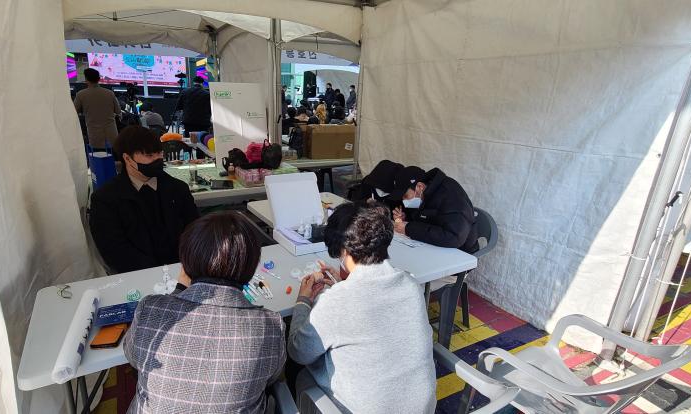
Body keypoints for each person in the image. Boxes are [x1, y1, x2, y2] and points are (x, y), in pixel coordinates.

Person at [124, 212, 286, 414]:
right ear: (251, 266)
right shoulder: (271, 326)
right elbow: (272, 375)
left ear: (185, 262)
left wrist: (179, 291)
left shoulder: (150, 309)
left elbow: (132, 356)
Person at [288, 203, 436, 414]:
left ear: (344, 251)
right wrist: (344, 284)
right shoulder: (411, 285)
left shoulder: (336, 301)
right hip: (421, 408)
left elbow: (298, 351)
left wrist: (303, 301)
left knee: (300, 373)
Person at [89, 126, 199, 273]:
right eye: (149, 155)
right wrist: (154, 272)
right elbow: (113, 249)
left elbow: (194, 230)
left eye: (159, 153)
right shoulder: (106, 199)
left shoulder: (178, 189)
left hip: (181, 269)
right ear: (127, 158)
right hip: (137, 275)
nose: (157, 159)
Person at [390, 166, 478, 253]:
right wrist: (405, 218)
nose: (404, 200)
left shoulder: (451, 196)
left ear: (420, 187)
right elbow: (426, 218)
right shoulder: (425, 193)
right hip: (435, 246)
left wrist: (409, 229)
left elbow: (454, 237)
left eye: (405, 196)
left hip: (461, 252)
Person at [74, 68, 120, 149]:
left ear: (86, 79)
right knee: (113, 155)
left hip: (94, 134)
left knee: (97, 155)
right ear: (98, 79)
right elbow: (118, 111)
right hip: (112, 133)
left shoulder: (81, 95)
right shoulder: (110, 93)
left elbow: (74, 112)